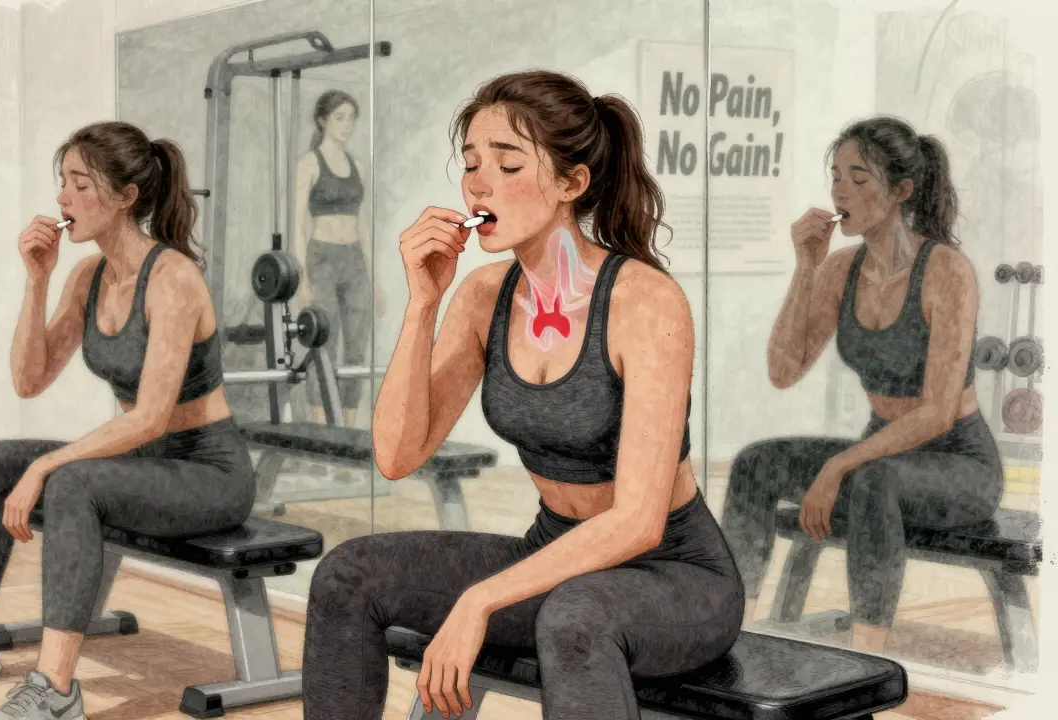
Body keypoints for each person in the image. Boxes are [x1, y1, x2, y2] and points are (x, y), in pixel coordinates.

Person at [300, 70, 744, 720]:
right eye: (471, 164)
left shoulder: (645, 302)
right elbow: (396, 455)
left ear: (572, 183)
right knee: (348, 574)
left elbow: (638, 521)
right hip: (555, 552)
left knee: (574, 618)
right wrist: (423, 304)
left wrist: (480, 600)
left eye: (507, 164)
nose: (478, 184)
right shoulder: (482, 297)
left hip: (675, 574)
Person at [0, 121, 255, 720]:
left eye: (80, 184)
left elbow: (151, 417)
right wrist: (37, 279)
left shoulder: (173, 278)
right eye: (63, 182)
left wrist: (48, 467)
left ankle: (54, 691)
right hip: (147, 463)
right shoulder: (88, 277)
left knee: (72, 481)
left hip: (208, 471)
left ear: (126, 197)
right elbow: (29, 380)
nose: (62, 198)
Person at [720, 116, 1002, 655]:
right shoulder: (839, 269)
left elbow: (938, 412)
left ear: (902, 191)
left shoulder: (946, 271)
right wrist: (805, 268)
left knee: (872, 479)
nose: (840, 192)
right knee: (755, 463)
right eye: (835, 177)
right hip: (881, 452)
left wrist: (837, 467)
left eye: (858, 178)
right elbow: (783, 371)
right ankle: (733, 631)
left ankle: (865, 656)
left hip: (959, 463)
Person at [292, 89, 377, 426]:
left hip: (354, 260)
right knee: (323, 343)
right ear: (322, 121)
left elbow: (362, 226)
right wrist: (302, 278)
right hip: (321, 260)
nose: (347, 124)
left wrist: (374, 277)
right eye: (339, 117)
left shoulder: (359, 167)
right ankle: (321, 432)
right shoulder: (309, 163)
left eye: (351, 118)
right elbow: (298, 224)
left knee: (357, 347)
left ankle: (349, 431)